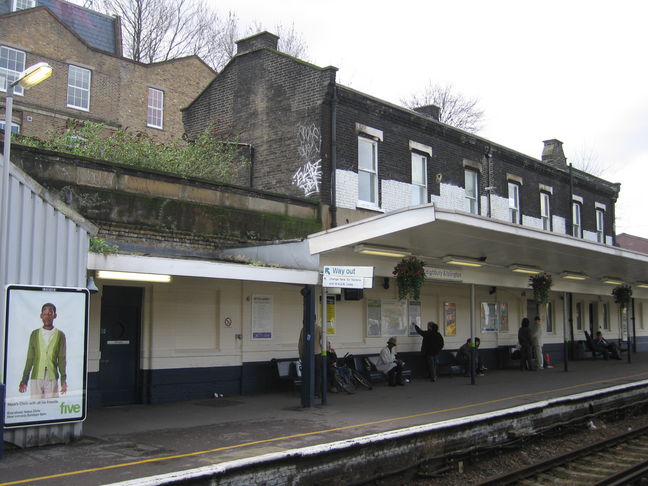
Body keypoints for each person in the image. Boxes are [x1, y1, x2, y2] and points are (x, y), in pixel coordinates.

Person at [19, 303, 67, 399]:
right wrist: (24, 380)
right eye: (45, 313)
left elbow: (62, 358)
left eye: (50, 313)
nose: (47, 316)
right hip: (36, 376)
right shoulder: (34, 334)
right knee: (36, 407)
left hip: (52, 377)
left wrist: (63, 380)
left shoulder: (60, 335)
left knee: (51, 406)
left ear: (55, 315)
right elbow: (30, 358)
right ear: (41, 316)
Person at [299, 323, 322, 395]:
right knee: (317, 374)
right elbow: (323, 341)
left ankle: (307, 391)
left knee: (307, 373)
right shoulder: (319, 328)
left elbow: (300, 343)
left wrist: (301, 355)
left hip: (306, 355)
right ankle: (316, 392)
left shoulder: (303, 329)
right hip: (317, 354)